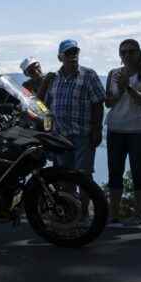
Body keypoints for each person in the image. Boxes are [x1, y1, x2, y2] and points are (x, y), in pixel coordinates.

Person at [42, 40, 106, 216]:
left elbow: (98, 104)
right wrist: (48, 132)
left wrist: (97, 129)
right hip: (60, 136)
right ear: (60, 57)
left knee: (84, 176)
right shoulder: (54, 79)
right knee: (65, 177)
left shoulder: (88, 75)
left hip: (82, 135)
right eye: (68, 53)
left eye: (75, 52)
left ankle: (85, 213)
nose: (73, 56)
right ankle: (72, 213)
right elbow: (47, 109)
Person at [105, 39, 141, 225]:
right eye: (123, 52)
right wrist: (119, 90)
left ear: (139, 53)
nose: (127, 55)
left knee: (138, 171)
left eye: (131, 51)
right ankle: (114, 214)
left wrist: (128, 87)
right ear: (120, 55)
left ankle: (139, 214)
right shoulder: (113, 73)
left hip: (140, 130)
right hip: (116, 129)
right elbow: (108, 103)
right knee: (115, 171)